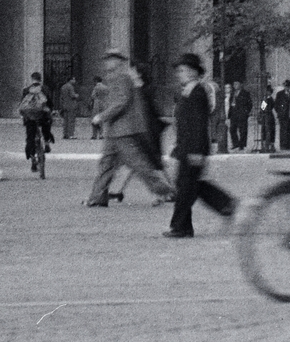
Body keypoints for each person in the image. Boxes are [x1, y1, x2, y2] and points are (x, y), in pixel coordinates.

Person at [85, 50, 174, 207]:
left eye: (111, 59)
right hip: (115, 131)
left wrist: (102, 116)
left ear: (118, 62)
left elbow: (121, 102)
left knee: (138, 165)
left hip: (124, 131)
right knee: (106, 164)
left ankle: (166, 191)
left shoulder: (122, 78)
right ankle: (97, 197)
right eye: (106, 59)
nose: (107, 62)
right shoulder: (112, 79)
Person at [164, 53, 236, 238]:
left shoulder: (197, 92)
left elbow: (197, 124)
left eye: (184, 70)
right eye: (179, 70)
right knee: (190, 186)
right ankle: (225, 205)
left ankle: (181, 226)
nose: (180, 74)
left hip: (194, 149)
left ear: (193, 73)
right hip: (187, 148)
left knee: (186, 188)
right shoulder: (187, 92)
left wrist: (196, 150)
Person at [108, 59, 170, 204]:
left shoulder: (144, 89)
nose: (129, 72)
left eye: (132, 69)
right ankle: (119, 191)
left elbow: (151, 110)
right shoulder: (135, 88)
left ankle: (165, 192)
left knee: (151, 163)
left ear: (138, 73)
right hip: (139, 130)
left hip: (148, 131)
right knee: (137, 162)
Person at [19, 72, 53, 166]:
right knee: (47, 124)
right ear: (40, 79)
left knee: (30, 137)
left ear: (32, 79)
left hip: (30, 118)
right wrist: (50, 111)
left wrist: (24, 116)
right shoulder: (45, 89)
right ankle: (46, 142)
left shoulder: (26, 90)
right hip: (42, 116)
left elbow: (22, 104)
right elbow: (49, 102)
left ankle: (32, 156)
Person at [228, 82, 251, 151]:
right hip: (234, 114)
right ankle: (236, 143)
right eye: (234, 84)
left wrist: (246, 112)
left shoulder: (245, 93)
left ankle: (242, 144)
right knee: (232, 129)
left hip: (242, 114)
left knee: (242, 130)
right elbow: (230, 103)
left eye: (237, 84)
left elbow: (249, 104)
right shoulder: (233, 93)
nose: (235, 86)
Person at [275, 80, 290, 151]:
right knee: (283, 130)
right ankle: (283, 145)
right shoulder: (279, 94)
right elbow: (276, 105)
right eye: (286, 86)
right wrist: (279, 112)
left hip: (289, 115)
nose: (287, 88)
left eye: (289, 86)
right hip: (282, 115)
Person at [59, 76, 79, 140]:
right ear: (70, 80)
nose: (75, 81)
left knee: (66, 121)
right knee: (71, 120)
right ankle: (71, 135)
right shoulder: (70, 86)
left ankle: (65, 134)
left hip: (65, 105)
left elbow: (61, 97)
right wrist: (76, 95)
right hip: (71, 105)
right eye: (74, 79)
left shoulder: (63, 86)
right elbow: (72, 95)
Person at [258, 81, 276, 152]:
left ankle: (267, 146)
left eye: (268, 91)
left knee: (268, 131)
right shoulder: (267, 99)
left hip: (268, 116)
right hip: (267, 116)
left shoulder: (268, 99)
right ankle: (267, 145)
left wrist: (261, 113)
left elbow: (263, 108)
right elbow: (262, 108)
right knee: (265, 131)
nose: (266, 92)